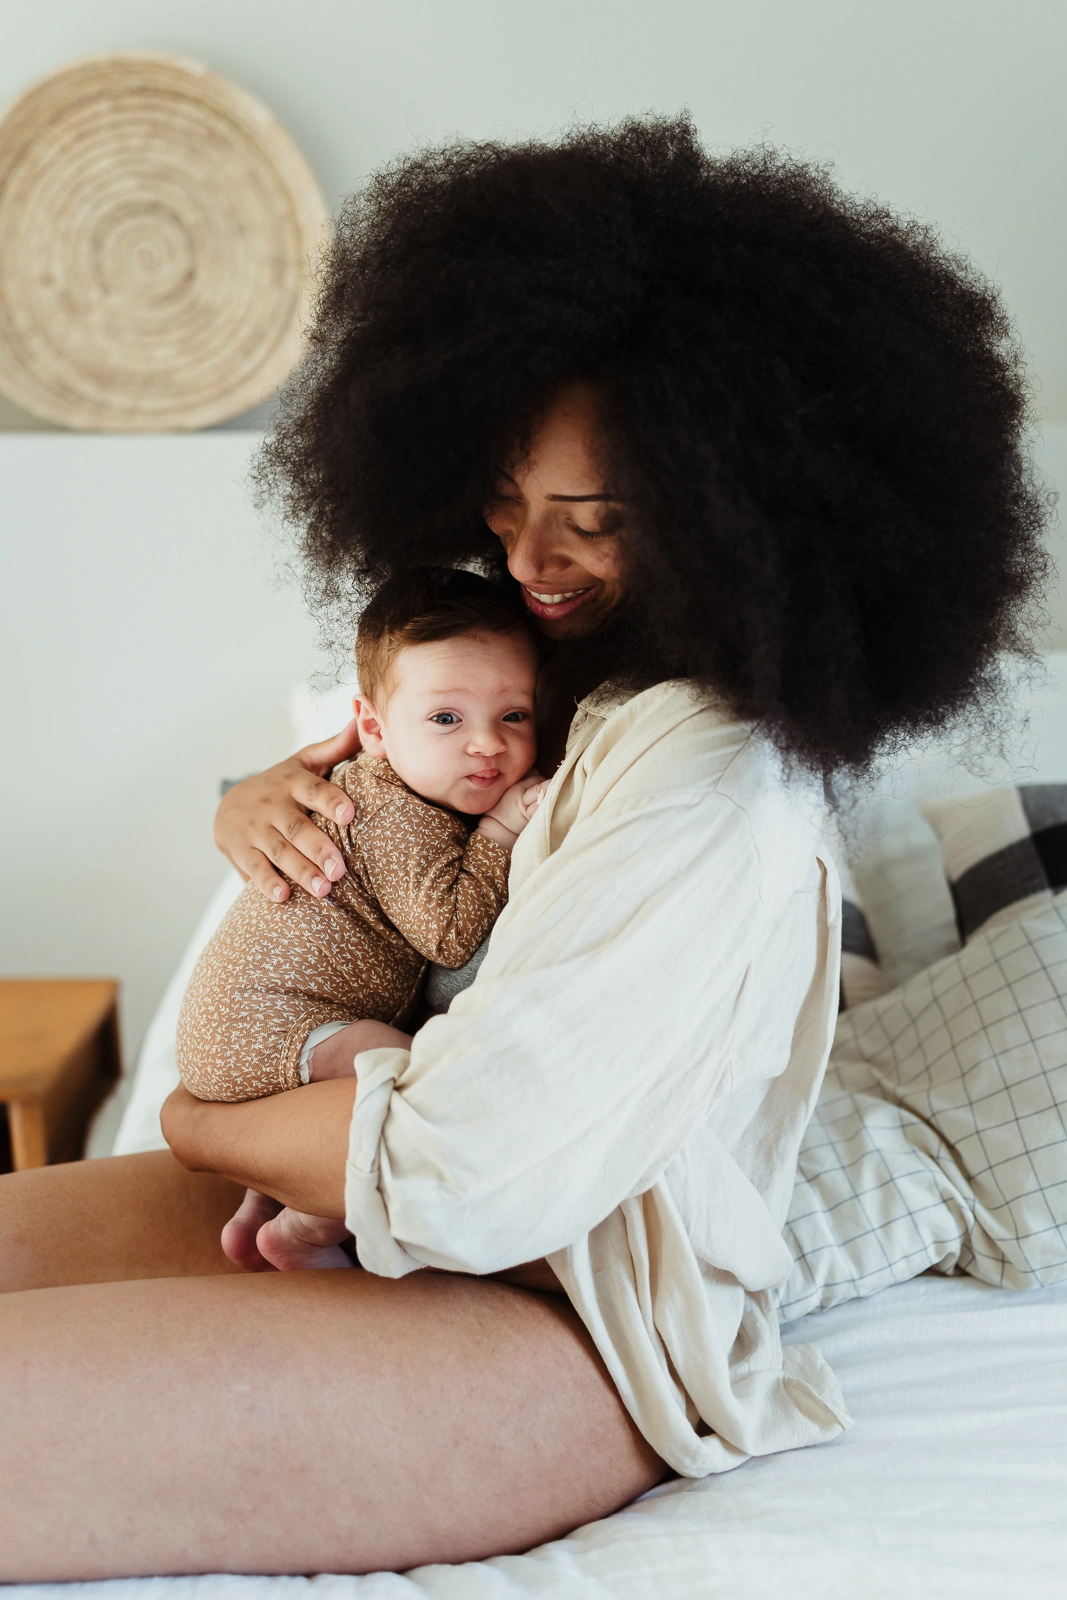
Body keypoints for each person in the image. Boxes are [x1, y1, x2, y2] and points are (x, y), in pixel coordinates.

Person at [0, 116, 1049, 1581]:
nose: (532, 562)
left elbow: (465, 1170)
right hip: (354, 1213)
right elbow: (389, 817)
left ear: (729, 515)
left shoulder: (703, 765)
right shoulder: (553, 691)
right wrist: (248, 801)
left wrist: (191, 1123)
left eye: (594, 520)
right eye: (502, 502)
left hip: (564, 1324)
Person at [177, 566, 545, 1271]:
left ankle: (264, 1203)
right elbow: (448, 933)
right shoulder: (391, 812)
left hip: (239, 1028)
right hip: (263, 1024)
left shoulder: (405, 788)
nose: (486, 745)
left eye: (514, 716)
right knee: (408, 1070)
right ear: (372, 729)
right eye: (446, 718)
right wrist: (501, 830)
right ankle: (311, 1221)